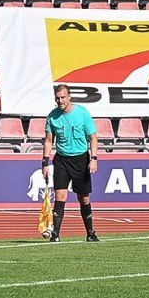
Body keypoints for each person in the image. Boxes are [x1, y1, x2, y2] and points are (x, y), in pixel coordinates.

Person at [39, 83, 99, 242]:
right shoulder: (52, 117)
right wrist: (45, 163)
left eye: (63, 97)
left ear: (69, 97)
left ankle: (91, 233)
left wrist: (93, 159)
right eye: (57, 98)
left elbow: (93, 138)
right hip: (61, 160)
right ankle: (56, 234)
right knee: (60, 195)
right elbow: (48, 141)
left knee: (83, 198)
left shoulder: (82, 113)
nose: (60, 101)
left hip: (81, 159)